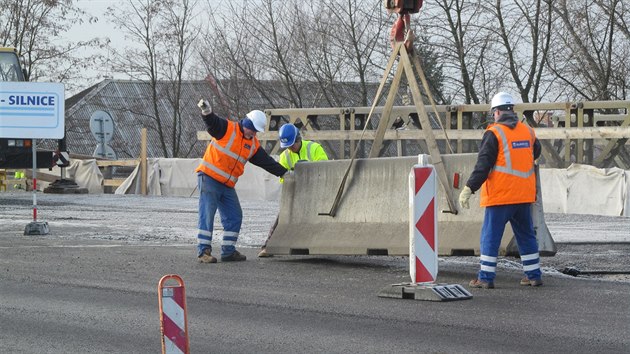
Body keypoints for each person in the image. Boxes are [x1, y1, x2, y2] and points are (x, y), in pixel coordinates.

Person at [459, 92, 543, 289]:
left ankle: (485, 278)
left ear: (496, 112)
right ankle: (533, 275)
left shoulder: (494, 133)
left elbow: (483, 165)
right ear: (512, 111)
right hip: (523, 195)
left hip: (501, 196)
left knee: (490, 236)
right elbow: (536, 152)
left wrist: (469, 188)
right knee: (526, 235)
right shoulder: (528, 131)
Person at [195, 99, 289, 263]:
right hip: (209, 178)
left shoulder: (252, 144)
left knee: (235, 216)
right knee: (207, 215)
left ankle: (228, 251)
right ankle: (204, 252)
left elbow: (266, 162)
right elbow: (212, 123)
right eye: (251, 129)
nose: (252, 133)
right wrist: (206, 112)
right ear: (245, 122)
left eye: (255, 131)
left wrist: (284, 173)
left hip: (227, 185)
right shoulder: (227, 128)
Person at [257, 123, 328, 257]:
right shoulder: (285, 156)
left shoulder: (314, 148)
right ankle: (268, 246)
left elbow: (324, 169)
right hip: (297, 192)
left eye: (291, 145)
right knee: (282, 216)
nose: (290, 148)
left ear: (298, 139)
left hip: (317, 191)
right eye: (287, 146)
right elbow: (283, 179)